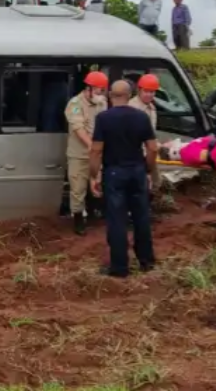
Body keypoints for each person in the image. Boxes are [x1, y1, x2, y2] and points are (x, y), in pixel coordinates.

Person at [89, 80, 158, 278]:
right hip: (137, 171)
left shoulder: (103, 118)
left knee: (117, 220)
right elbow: (152, 148)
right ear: (130, 95)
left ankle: (119, 268)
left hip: (114, 173)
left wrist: (94, 175)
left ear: (111, 95)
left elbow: (96, 150)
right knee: (141, 217)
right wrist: (147, 169)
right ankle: (147, 262)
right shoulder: (141, 117)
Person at [64, 70, 109, 235]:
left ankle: (94, 213)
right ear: (88, 88)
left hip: (98, 153)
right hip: (79, 154)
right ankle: (77, 218)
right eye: (98, 90)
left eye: (102, 90)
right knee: (78, 187)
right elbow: (78, 128)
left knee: (97, 183)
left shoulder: (102, 103)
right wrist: (92, 145)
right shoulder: (75, 104)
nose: (100, 94)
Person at [129, 74, 160, 190]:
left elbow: (151, 132)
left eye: (152, 92)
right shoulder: (132, 108)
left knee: (156, 183)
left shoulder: (151, 108)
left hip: (149, 153)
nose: (149, 95)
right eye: (146, 91)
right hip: (136, 154)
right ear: (139, 90)